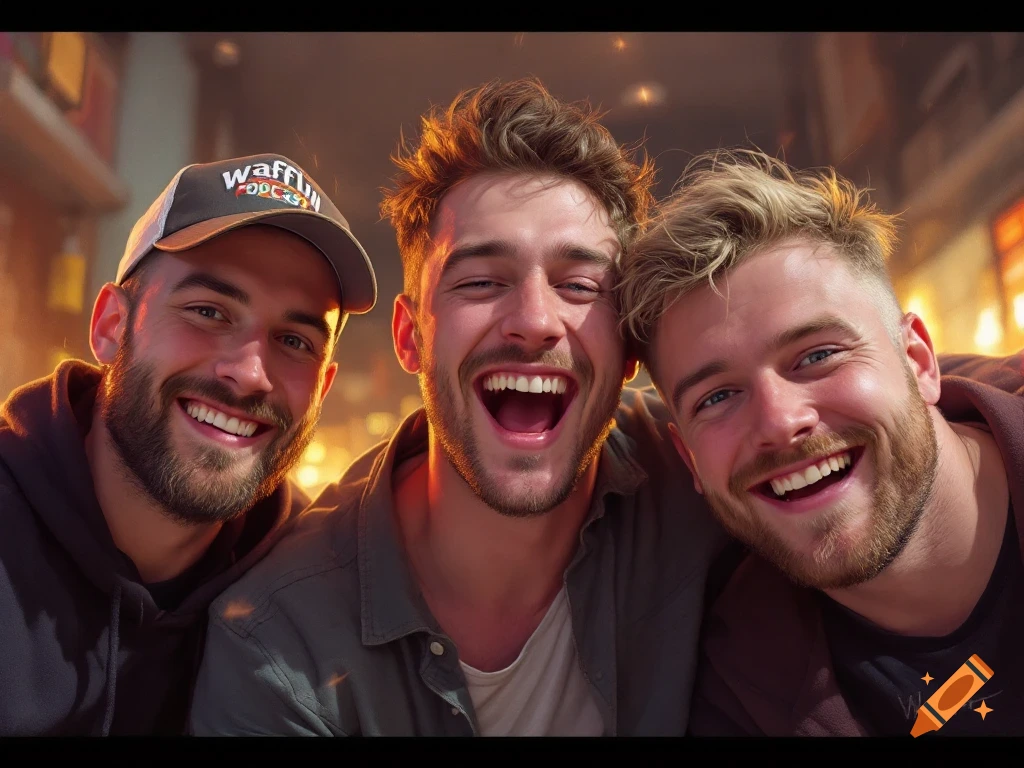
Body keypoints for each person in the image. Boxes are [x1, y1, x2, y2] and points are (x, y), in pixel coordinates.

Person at [189, 78, 733, 737]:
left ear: (628, 348)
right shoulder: (280, 642)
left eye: (580, 285)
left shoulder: (709, 466)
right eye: (480, 281)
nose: (534, 321)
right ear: (411, 336)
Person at [616, 148, 1024, 736]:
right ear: (691, 462)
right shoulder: (739, 697)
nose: (780, 422)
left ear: (918, 360)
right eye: (717, 397)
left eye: (817, 355)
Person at [0, 153, 377, 735]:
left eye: (295, 341)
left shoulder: (316, 584)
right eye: (208, 311)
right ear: (111, 326)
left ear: (323, 387)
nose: (251, 373)